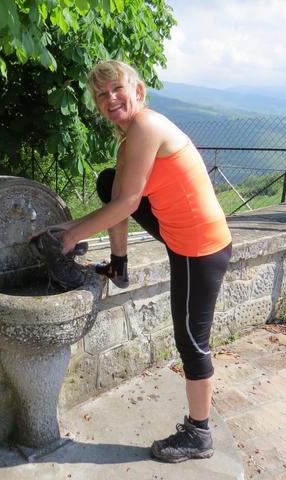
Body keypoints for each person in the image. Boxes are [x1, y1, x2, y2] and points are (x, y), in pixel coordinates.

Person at [48, 60, 232, 463]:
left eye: (116, 89)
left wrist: (73, 235)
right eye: (101, 94)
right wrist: (69, 228)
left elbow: (130, 204)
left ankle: (199, 434)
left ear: (138, 91)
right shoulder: (128, 140)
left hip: (198, 249)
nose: (110, 98)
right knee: (107, 180)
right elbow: (118, 197)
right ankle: (119, 265)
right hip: (177, 233)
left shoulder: (146, 126)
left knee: (191, 339)